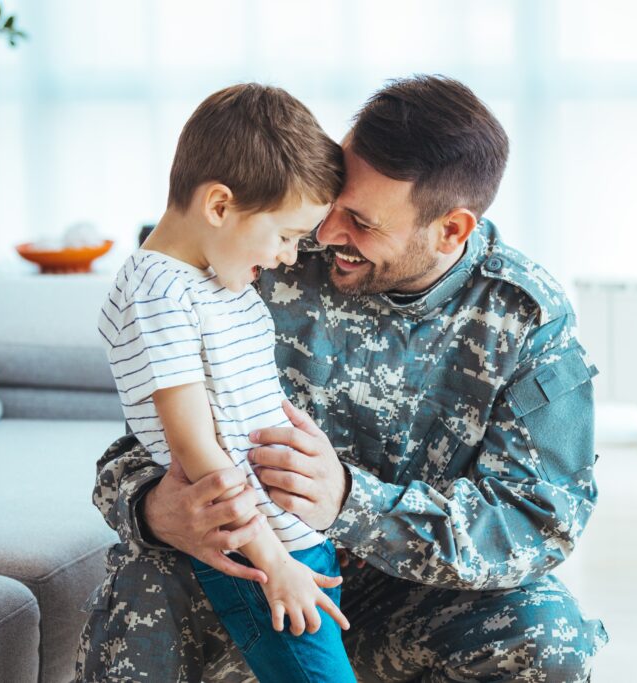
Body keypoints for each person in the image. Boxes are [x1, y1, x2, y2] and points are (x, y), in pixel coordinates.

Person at [77, 75, 608, 683]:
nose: (327, 235)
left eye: (361, 221)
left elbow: (540, 520)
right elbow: (135, 447)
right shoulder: (257, 257)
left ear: (451, 230)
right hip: (254, 567)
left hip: (411, 595)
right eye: (332, 208)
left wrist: (352, 503)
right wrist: (153, 511)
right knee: (144, 586)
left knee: (551, 639)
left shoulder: (522, 317)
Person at [84, 83, 356, 683]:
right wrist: (273, 560)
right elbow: (198, 452)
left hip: (290, 539)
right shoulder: (156, 292)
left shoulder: (212, 278)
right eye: (285, 235)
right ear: (218, 206)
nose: (289, 257)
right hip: (259, 554)